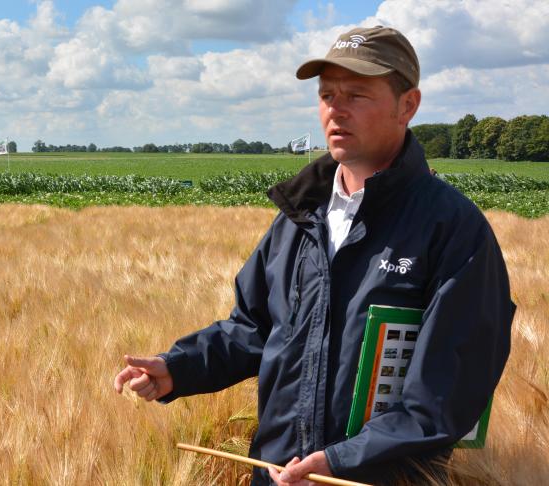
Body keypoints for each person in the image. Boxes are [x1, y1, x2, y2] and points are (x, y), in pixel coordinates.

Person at [113, 26, 515, 486]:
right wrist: (177, 369)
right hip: (278, 476)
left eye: (357, 95)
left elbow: (444, 397)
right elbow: (253, 330)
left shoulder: (453, 231)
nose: (335, 110)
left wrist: (340, 463)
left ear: (408, 105)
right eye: (327, 95)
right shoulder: (298, 218)